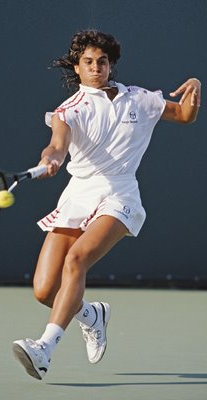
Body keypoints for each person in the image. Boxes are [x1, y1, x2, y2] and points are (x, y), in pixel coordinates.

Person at [13, 29, 201, 380]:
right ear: (77, 67)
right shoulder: (68, 111)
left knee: (77, 259)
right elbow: (56, 146)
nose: (96, 67)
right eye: (88, 62)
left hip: (120, 193)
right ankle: (92, 316)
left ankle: (44, 348)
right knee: (44, 290)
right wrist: (51, 160)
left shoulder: (140, 100)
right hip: (78, 195)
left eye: (102, 61)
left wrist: (194, 90)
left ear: (111, 65)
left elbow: (185, 116)